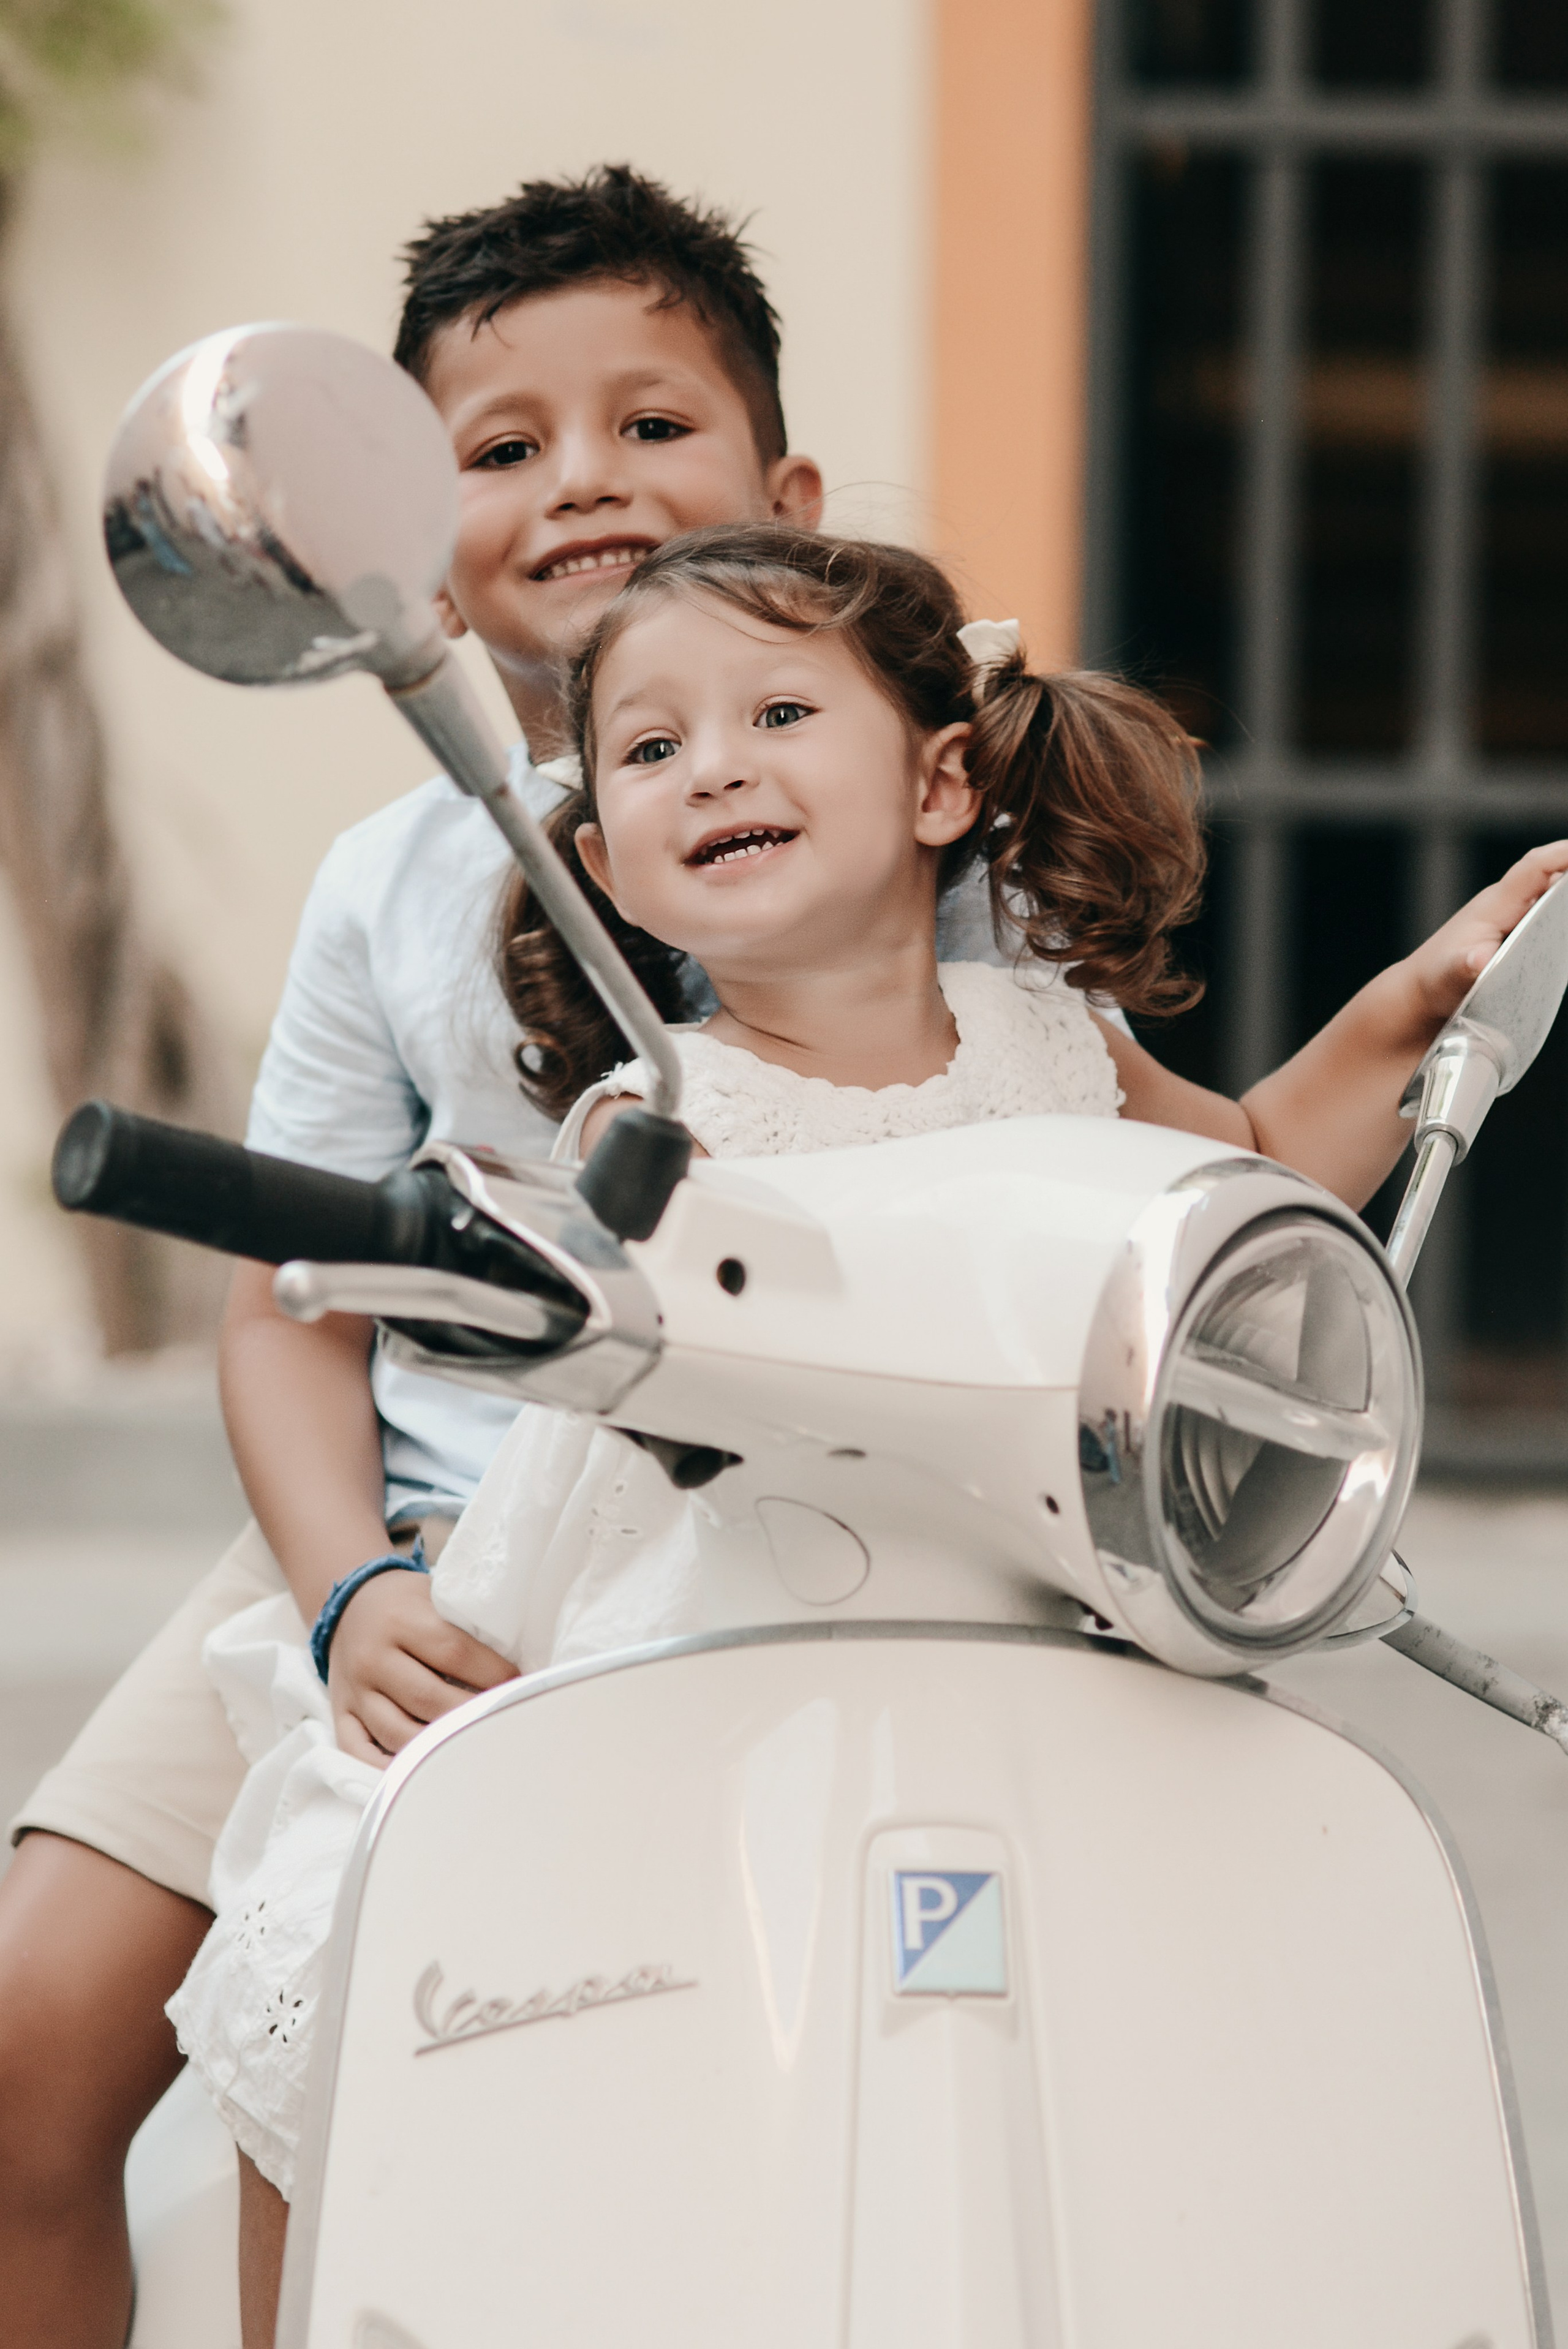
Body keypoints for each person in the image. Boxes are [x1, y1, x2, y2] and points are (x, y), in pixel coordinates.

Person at [167, 522, 1568, 2340]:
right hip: (698, 1628)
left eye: (775, 713)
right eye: (651, 748)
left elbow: (1254, 1169)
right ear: (604, 869)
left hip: (1025, 1606)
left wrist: (1414, 1011)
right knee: (339, 1914)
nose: (714, 765)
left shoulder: (1054, 1041)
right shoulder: (655, 1116)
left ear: (938, 782)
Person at [0, 165, 834, 2349]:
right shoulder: (393, 876)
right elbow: (286, 1309)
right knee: (30, 2039)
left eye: (654, 422)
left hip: (727, 1554)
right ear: (410, 539)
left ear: (791, 498)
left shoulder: (885, 815)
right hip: (391, 1531)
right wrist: (347, 1587)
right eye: (503, 446)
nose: (585, 482)